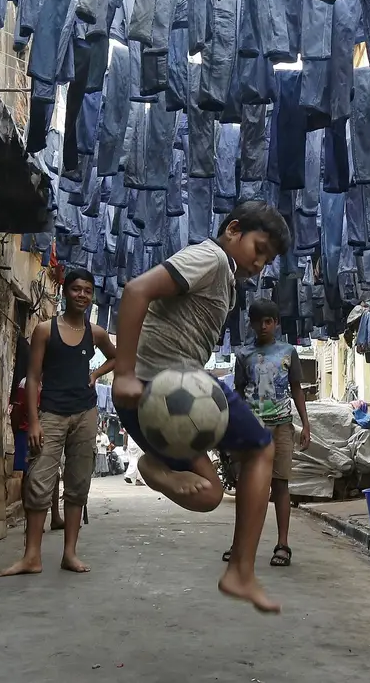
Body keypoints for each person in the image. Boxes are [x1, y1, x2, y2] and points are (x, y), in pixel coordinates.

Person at [112, 200, 290, 613]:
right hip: (166, 385)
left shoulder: (224, 278)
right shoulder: (209, 258)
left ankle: (154, 468)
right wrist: (122, 374)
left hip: (167, 401)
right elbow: (136, 290)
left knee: (210, 494)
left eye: (267, 260)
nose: (259, 264)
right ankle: (241, 571)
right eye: (258, 248)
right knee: (262, 448)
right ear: (232, 231)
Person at [0, 269, 116, 576]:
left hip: (85, 413)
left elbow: (119, 358)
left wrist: (95, 375)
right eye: (76, 289)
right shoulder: (45, 330)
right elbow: (33, 378)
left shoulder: (96, 333)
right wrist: (34, 422)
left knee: (78, 484)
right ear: (65, 292)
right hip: (51, 413)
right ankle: (31, 557)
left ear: (92, 296)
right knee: (38, 483)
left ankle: (69, 553)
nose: (82, 295)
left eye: (88, 291)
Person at [229, 298, 311, 567]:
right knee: (246, 487)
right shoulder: (243, 355)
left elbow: (296, 388)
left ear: (276, 323)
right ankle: (239, 543)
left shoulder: (288, 351)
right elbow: (238, 394)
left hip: (282, 427)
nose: (263, 326)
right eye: (258, 322)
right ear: (251, 324)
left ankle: (283, 544)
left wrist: (305, 424)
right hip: (252, 429)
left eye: (268, 321)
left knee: (280, 484)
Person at [10, 376, 63, 530]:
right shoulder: (26, 383)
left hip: (48, 432)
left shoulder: (51, 382)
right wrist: (19, 432)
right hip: (27, 431)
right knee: (28, 475)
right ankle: (30, 521)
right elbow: (18, 410)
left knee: (54, 474)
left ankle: (55, 517)